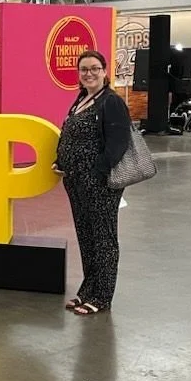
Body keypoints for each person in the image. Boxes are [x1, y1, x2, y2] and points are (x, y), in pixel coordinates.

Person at [52, 50, 132, 317]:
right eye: (84, 69)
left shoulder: (111, 102)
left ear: (105, 71)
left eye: (95, 69)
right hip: (75, 182)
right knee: (86, 237)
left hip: (100, 183)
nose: (89, 74)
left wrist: (98, 172)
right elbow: (70, 134)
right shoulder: (82, 99)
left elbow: (118, 143)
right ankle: (88, 290)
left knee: (104, 239)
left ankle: (102, 296)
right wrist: (60, 160)